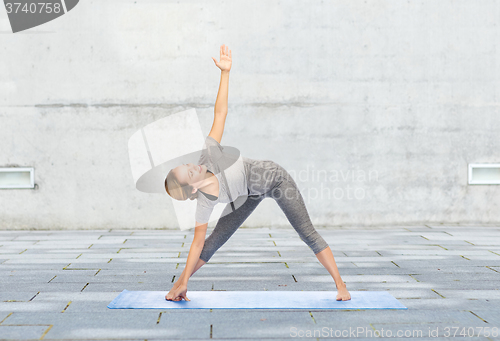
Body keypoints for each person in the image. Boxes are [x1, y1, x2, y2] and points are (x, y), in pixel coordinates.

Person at [164, 44, 351, 302]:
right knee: (213, 242)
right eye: (189, 173)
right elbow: (197, 243)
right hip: (245, 196)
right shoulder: (204, 203)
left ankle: (341, 286)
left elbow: (221, 113)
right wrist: (184, 281)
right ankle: (180, 285)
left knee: (306, 232)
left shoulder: (209, 154)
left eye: (186, 165)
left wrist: (225, 73)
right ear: (193, 189)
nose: (193, 166)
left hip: (273, 179)